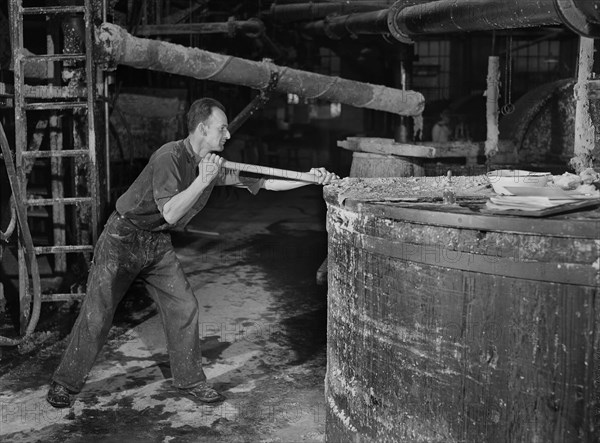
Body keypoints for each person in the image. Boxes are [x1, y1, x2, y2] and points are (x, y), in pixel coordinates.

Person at [46, 97, 338, 408]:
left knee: (183, 305)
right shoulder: (169, 157)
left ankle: (190, 380)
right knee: (99, 311)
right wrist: (202, 180)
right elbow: (171, 212)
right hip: (122, 237)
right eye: (221, 129)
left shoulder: (212, 164)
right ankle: (65, 383)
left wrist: (308, 178)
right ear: (202, 129)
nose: (228, 135)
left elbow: (264, 182)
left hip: (156, 241)